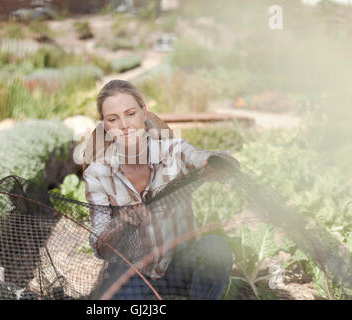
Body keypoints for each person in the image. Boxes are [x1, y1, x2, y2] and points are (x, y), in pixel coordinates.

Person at [82, 79, 240, 300]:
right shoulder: (97, 174)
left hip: (180, 263)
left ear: (143, 112)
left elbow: (204, 156)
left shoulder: (172, 151)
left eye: (130, 114)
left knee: (215, 247)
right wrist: (121, 223)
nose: (124, 125)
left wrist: (213, 162)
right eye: (113, 119)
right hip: (134, 271)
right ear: (105, 125)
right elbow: (98, 244)